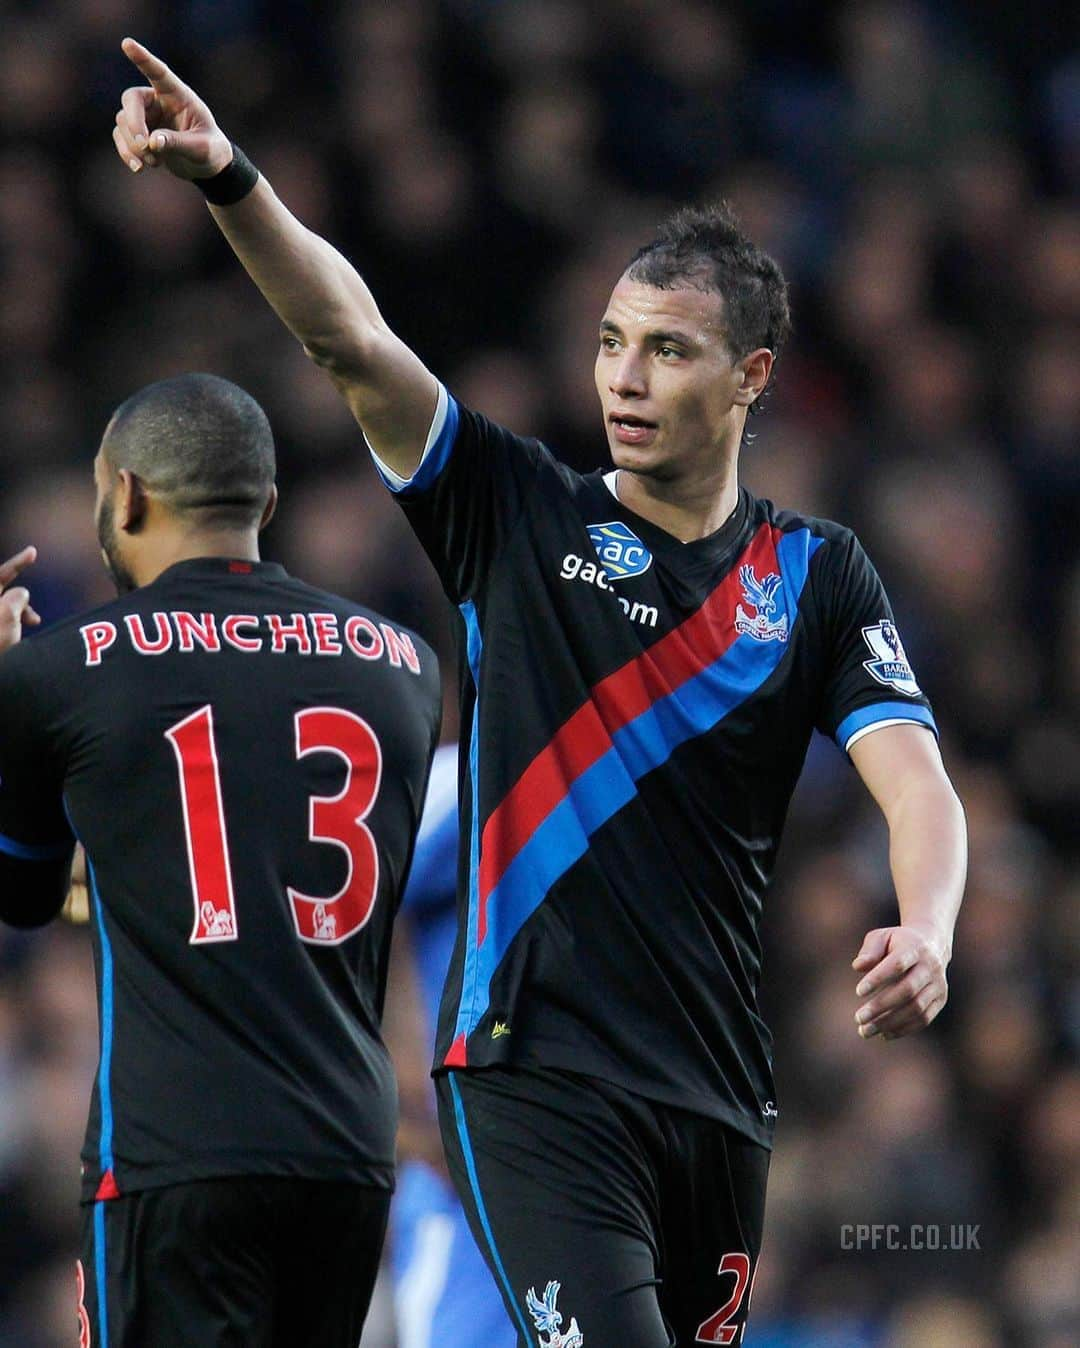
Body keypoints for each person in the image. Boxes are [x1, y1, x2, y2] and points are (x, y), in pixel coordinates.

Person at [112, 42, 967, 1346]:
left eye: (668, 351)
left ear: (749, 378)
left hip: (719, 1093)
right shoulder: (515, 513)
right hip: (532, 1079)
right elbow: (351, 340)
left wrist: (932, 929)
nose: (622, 376)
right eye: (612, 343)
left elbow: (917, 781)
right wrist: (230, 176)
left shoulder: (817, 574)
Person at [0, 373, 441, 1347]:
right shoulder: (406, 665)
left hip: (174, 1150)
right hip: (349, 1153)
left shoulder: (59, 668)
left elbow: (22, 891)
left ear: (127, 494)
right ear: (267, 503)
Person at [382, 743, 517, 1348]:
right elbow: (355, 894)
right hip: (458, 1190)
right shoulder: (468, 777)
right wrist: (402, 1067)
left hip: (568, 1169)